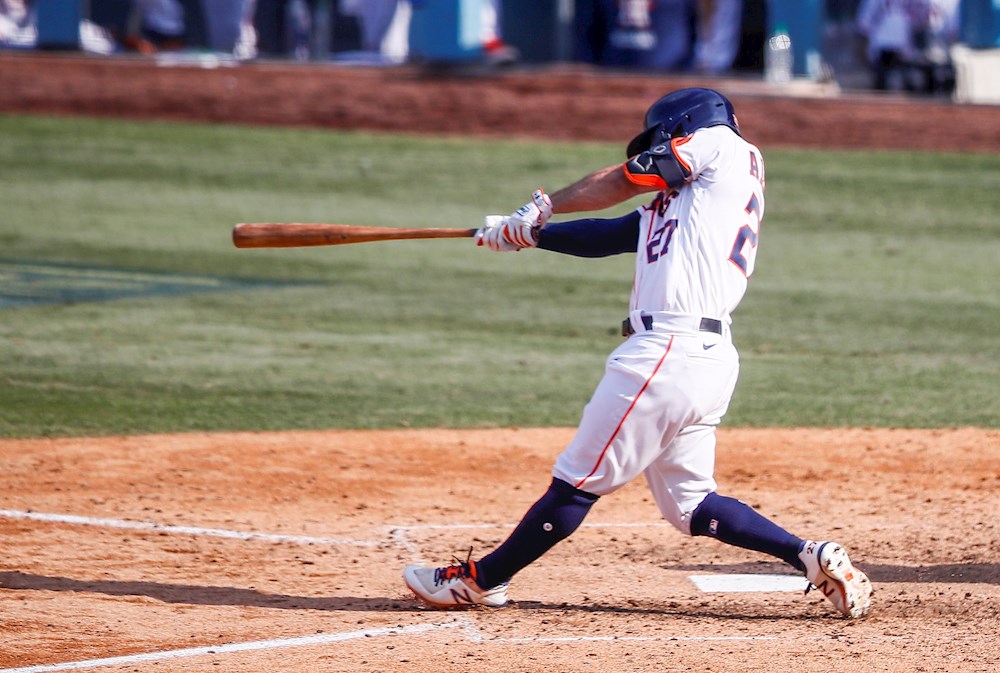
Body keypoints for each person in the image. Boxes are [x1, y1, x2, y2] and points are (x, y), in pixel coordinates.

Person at [402, 88, 874, 619]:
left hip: (667, 352)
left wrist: (544, 205)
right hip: (702, 358)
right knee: (691, 505)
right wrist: (530, 235)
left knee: (577, 481)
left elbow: (627, 178)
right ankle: (809, 556)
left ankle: (482, 581)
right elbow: (612, 233)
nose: (656, 150)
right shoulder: (695, 199)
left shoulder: (719, 144)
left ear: (684, 126)